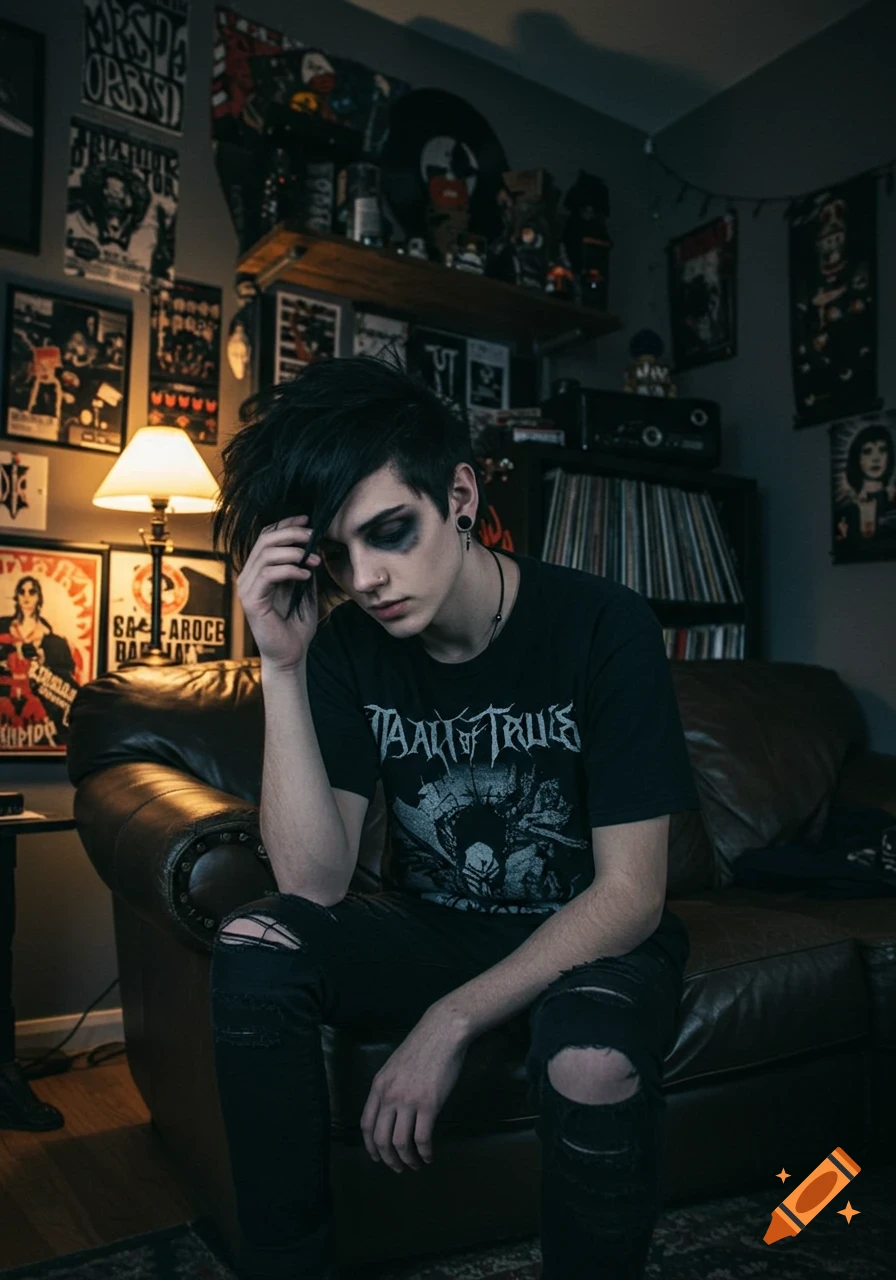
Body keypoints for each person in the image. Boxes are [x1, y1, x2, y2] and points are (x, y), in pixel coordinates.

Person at [209, 355, 702, 1280]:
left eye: (390, 532)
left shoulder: (604, 625)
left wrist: (449, 1022)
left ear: (461, 495)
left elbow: (632, 892)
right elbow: (312, 885)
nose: (369, 578)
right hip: (436, 924)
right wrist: (281, 666)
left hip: (588, 933)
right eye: (340, 555)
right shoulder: (347, 647)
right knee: (257, 940)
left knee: (592, 1064)